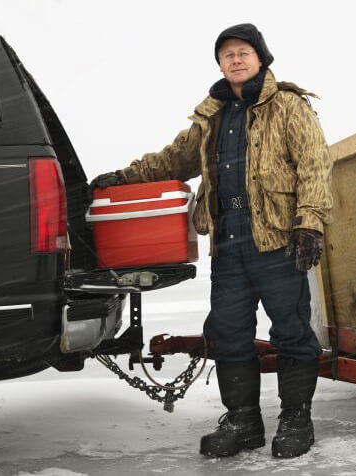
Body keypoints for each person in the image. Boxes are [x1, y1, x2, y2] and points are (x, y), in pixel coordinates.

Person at [90, 23, 332, 459]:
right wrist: (124, 178)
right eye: (227, 55)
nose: (235, 60)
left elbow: (314, 165)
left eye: (243, 52)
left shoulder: (289, 106)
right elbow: (174, 159)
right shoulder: (213, 116)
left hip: (277, 240)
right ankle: (243, 422)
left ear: (261, 58)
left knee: (292, 332)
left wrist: (309, 224)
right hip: (228, 245)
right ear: (220, 64)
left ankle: (297, 420)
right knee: (230, 335)